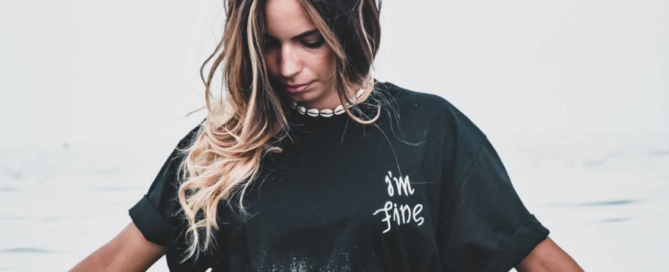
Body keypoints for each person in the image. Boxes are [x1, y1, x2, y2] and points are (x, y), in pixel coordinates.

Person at [71, 0, 585, 271]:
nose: (287, 65)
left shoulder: (430, 131)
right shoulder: (222, 150)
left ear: (346, 29)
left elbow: (538, 259)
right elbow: (117, 261)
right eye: (269, 44)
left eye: (309, 41)